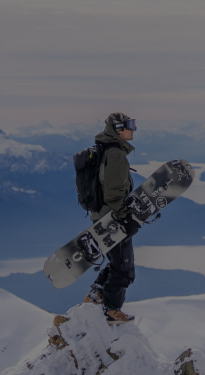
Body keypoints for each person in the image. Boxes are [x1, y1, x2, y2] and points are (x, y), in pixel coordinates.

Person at [85, 112, 139, 324]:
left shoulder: (106, 150)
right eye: (130, 125)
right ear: (118, 129)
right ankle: (111, 310)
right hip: (113, 219)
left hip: (104, 217)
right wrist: (126, 218)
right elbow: (114, 193)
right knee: (124, 268)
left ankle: (97, 294)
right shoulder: (115, 154)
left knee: (118, 262)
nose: (133, 129)